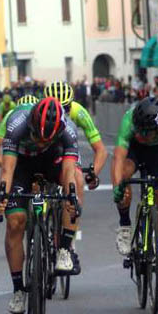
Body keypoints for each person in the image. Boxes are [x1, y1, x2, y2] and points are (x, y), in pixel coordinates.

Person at [0, 97, 80, 314]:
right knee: (15, 222)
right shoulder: (17, 123)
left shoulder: (68, 129)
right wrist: (2, 194)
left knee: (74, 185)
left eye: (47, 140)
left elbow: (69, 171)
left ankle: (64, 250)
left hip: (53, 162)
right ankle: (18, 291)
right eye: (38, 137)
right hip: (22, 165)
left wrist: (71, 197)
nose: (41, 143)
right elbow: (7, 170)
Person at [111, 98, 158, 287]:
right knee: (124, 176)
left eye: (147, 131)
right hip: (135, 152)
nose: (143, 134)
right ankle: (125, 226)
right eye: (140, 130)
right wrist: (118, 187)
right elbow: (119, 157)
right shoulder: (129, 120)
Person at [43, 81, 109, 271]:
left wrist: (94, 172)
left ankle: (68, 244)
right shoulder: (40, 111)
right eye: (58, 108)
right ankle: (37, 228)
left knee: (76, 181)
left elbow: (100, 150)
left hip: (68, 149)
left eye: (66, 108)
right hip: (47, 150)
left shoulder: (78, 111)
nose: (62, 112)